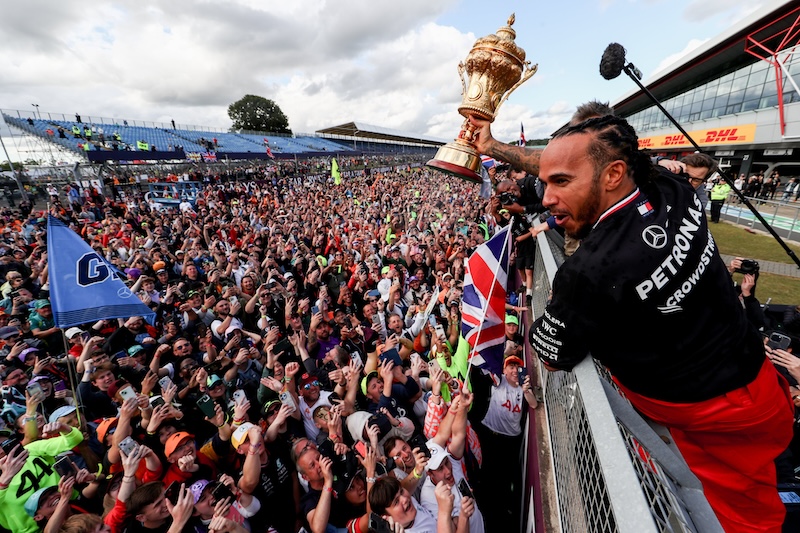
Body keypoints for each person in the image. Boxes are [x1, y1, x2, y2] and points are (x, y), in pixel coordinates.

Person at [469, 111, 794, 532]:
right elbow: (571, 162)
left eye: (560, 183)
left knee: (752, 520)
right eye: (546, 182)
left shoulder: (588, 271)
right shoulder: (670, 185)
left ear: (612, 175)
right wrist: (492, 148)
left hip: (710, 419)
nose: (545, 198)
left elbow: (550, 352)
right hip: (758, 376)